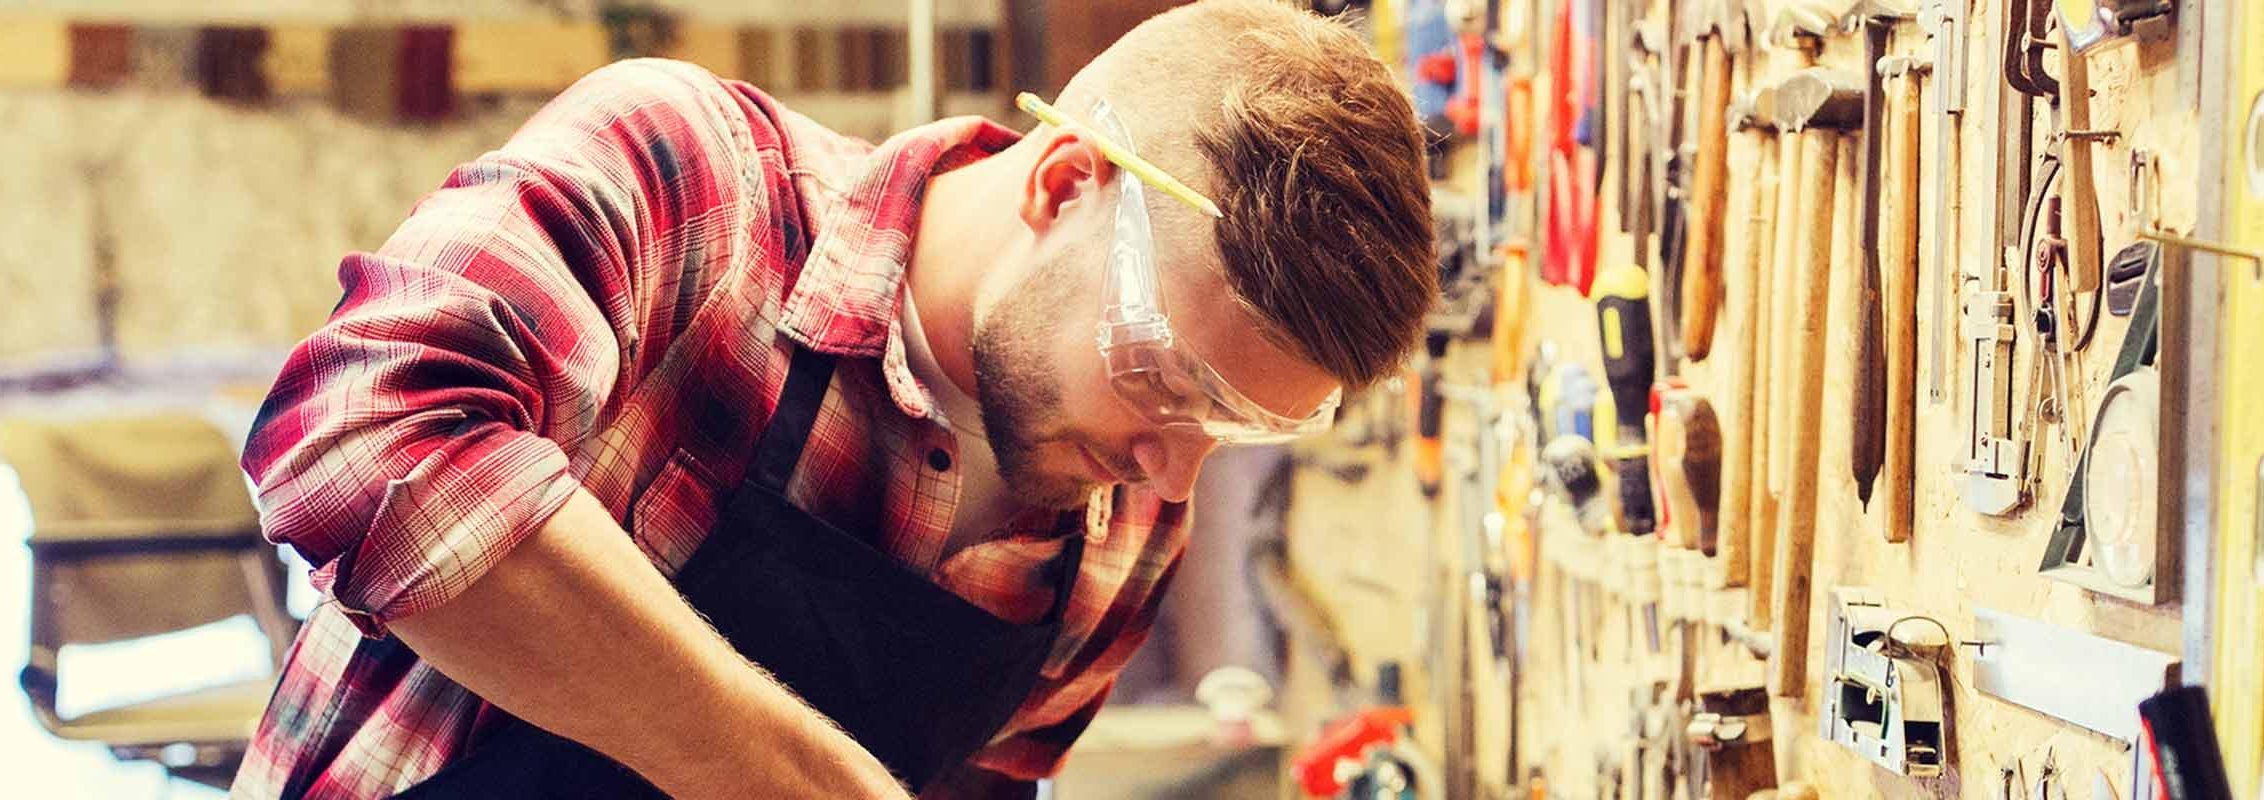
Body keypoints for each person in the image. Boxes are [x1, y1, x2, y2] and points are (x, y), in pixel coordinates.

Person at [225, 2, 1434, 797]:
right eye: (1167, 378)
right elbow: (359, 438)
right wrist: (792, 775)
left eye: (1231, 430)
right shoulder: (692, 181)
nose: (1176, 477)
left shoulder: (1130, 511)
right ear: (1068, 183)